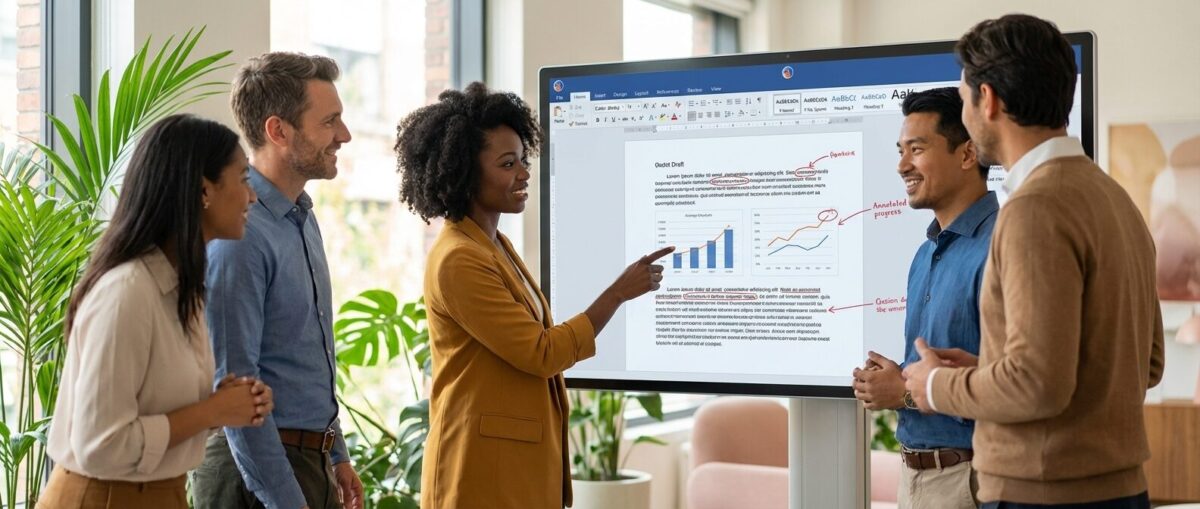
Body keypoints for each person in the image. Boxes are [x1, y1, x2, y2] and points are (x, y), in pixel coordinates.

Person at [903, 14, 1164, 509]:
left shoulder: (1033, 210)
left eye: (962, 101)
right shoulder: (1114, 199)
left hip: (1042, 493)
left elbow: (1036, 385)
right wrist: (988, 369)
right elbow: (1143, 363)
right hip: (1117, 490)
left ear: (990, 100)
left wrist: (935, 385)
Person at [395, 82, 673, 509]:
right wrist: (617, 294)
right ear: (465, 172)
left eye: (523, 160)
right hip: (479, 471)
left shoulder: (493, 245)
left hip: (510, 466)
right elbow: (540, 352)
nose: (524, 173)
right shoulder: (458, 259)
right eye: (508, 164)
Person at [38, 114, 271, 509]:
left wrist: (225, 407)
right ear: (203, 191)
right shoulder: (126, 292)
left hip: (161, 495)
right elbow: (100, 446)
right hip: (103, 499)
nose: (253, 196)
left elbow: (157, 412)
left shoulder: (181, 287)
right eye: (244, 178)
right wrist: (209, 410)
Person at [192, 52, 363, 509]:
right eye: (330, 122)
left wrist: (336, 451)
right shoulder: (239, 234)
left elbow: (302, 358)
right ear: (278, 130)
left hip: (307, 462)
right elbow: (235, 389)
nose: (344, 135)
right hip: (253, 477)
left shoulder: (301, 218)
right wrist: (286, 500)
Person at [852, 87, 994, 509]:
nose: (901, 165)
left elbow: (1019, 381)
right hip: (915, 479)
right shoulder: (925, 253)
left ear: (967, 155)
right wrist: (899, 378)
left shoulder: (1002, 245)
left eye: (917, 148)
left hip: (971, 480)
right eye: (900, 150)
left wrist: (907, 392)